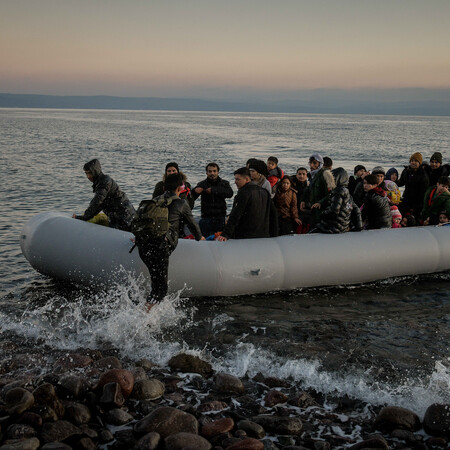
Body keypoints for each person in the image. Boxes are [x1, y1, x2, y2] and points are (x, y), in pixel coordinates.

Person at [135, 173, 205, 310]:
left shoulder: (155, 200)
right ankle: (142, 319)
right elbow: (193, 226)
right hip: (160, 248)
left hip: (143, 247)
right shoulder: (181, 203)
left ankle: (147, 315)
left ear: (164, 187)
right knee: (160, 290)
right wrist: (200, 237)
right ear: (180, 188)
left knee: (156, 286)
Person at [73, 159, 136, 231]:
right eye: (86, 173)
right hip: (118, 216)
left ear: (95, 171)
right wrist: (86, 217)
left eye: (89, 173)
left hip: (124, 216)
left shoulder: (105, 182)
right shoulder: (100, 183)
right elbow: (99, 205)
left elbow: (97, 203)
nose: (88, 176)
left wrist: (83, 217)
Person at [217, 167, 278, 241]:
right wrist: (274, 234)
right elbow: (273, 214)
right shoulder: (265, 192)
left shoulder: (244, 193)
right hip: (263, 235)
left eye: (238, 179)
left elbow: (236, 215)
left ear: (247, 179)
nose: (235, 182)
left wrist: (225, 234)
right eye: (235, 179)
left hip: (245, 236)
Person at [192, 163, 234, 237]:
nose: (212, 173)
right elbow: (192, 198)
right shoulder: (202, 184)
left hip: (220, 217)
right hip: (206, 217)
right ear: (206, 173)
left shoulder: (224, 183)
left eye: (214, 171)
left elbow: (230, 194)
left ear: (218, 172)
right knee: (204, 240)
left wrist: (214, 190)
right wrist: (195, 191)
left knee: (220, 239)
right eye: (210, 171)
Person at [311, 168, 357, 234]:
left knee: (312, 231)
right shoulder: (347, 192)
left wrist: (321, 214)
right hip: (343, 226)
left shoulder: (337, 191)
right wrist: (358, 227)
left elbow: (334, 211)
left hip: (333, 227)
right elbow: (356, 210)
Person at [300, 153, 331, 226]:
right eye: (310, 163)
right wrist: (303, 200)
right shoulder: (312, 175)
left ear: (320, 164)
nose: (312, 165)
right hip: (313, 209)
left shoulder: (325, 175)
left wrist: (320, 202)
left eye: (314, 163)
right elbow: (309, 189)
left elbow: (330, 193)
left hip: (322, 210)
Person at [397, 152, 429, 221]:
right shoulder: (406, 171)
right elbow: (401, 182)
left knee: (414, 220)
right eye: (412, 161)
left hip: (417, 203)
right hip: (406, 199)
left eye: (415, 161)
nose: (413, 163)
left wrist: (415, 207)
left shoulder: (423, 175)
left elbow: (422, 193)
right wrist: (392, 183)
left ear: (419, 163)